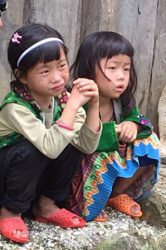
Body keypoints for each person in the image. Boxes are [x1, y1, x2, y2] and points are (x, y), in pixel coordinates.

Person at [0, 23, 101, 244]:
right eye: (45, 71)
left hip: (31, 182)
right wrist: (74, 107)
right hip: (5, 180)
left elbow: (86, 146)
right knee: (32, 149)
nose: (57, 77)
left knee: (69, 143)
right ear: (22, 76)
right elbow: (49, 147)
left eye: (62, 66)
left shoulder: (63, 102)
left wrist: (93, 106)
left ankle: (45, 205)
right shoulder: (15, 108)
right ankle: (9, 212)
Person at [67, 31, 160, 222]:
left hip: (112, 172)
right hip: (78, 175)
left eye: (126, 69)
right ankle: (86, 203)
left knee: (150, 141)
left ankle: (115, 194)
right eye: (112, 68)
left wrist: (133, 125)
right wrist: (113, 132)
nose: (121, 77)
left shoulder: (121, 102)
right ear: (88, 69)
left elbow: (144, 122)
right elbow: (77, 140)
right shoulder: (75, 101)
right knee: (102, 156)